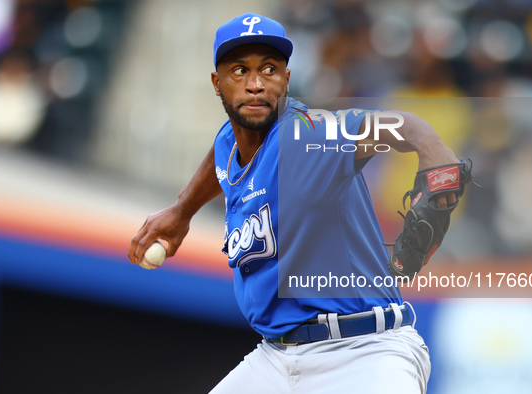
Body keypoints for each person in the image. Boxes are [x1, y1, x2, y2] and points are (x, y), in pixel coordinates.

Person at [128, 12, 459, 394]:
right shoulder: (231, 139)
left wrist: (435, 155)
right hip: (276, 358)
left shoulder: (306, 137)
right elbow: (222, 156)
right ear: (217, 84)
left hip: (364, 352)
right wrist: (183, 209)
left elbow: (409, 127)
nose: (255, 85)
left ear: (286, 78)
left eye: (269, 69)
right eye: (240, 71)